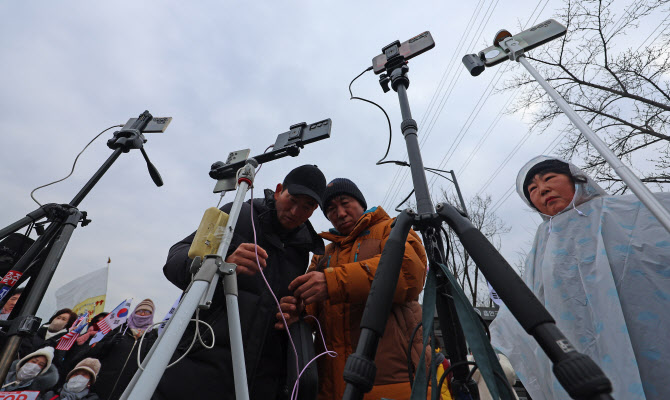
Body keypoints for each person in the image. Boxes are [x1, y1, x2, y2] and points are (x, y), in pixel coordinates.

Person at [489, 156, 670, 400]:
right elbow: (527, 300)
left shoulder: (623, 212)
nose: (542, 189)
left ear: (577, 179)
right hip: (577, 348)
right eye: (532, 189)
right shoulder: (543, 243)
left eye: (549, 179)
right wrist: (495, 344)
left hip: (644, 332)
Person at [155, 164, 327, 400]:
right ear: (278, 191)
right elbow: (175, 259)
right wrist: (221, 261)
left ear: (314, 210)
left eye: (307, 207)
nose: (296, 212)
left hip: (259, 383)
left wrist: (293, 313)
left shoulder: (302, 251)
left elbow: (279, 306)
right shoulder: (237, 214)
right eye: (292, 199)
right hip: (197, 367)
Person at [277, 178, 428, 400]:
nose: (339, 213)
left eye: (345, 202)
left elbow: (407, 272)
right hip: (331, 390)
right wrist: (298, 311)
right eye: (330, 209)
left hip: (395, 384)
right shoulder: (322, 254)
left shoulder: (392, 229)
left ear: (360, 202)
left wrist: (332, 282)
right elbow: (310, 310)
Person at [82, 299, 156, 400]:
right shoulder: (119, 328)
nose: (142, 314)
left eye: (147, 312)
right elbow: (93, 353)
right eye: (139, 311)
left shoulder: (152, 337)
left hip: (127, 390)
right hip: (100, 386)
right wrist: (108, 343)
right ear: (134, 312)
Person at [57, 312, 109, 387]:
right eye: (97, 321)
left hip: (80, 381)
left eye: (103, 322)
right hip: (63, 374)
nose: (99, 324)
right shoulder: (79, 336)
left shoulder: (106, 342)